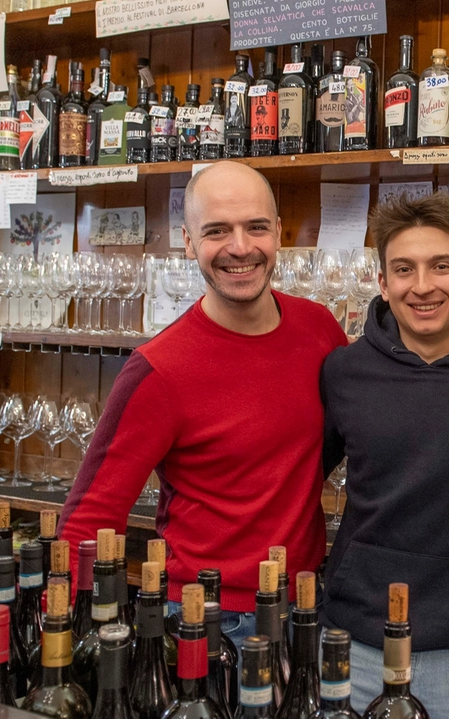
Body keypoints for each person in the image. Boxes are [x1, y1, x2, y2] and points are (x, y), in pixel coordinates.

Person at [59, 161, 346, 646]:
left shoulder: (320, 329)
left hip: (308, 608)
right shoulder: (158, 369)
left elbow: (337, 438)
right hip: (208, 620)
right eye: (217, 231)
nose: (240, 247)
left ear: (278, 233)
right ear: (189, 242)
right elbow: (88, 518)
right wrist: (63, 644)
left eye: (256, 227)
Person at [320, 192, 449, 718]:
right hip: (354, 635)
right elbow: (297, 476)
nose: (423, 286)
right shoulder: (344, 372)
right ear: (383, 284)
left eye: (442, 266)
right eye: (404, 270)